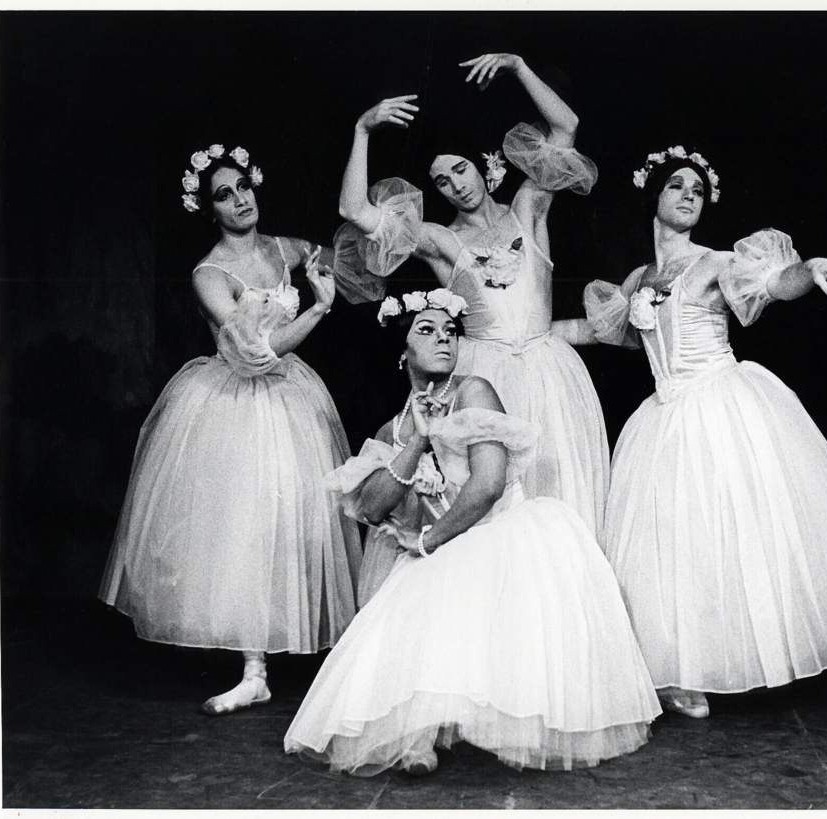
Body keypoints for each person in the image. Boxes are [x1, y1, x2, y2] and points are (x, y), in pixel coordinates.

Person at [559, 145, 827, 718]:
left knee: (788, 530)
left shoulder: (712, 262)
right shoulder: (639, 277)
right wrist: (526, 333)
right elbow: (603, 331)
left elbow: (771, 281)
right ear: (654, 197)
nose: (689, 196)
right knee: (679, 546)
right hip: (665, 419)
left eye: (698, 191)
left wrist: (807, 272)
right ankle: (681, 669)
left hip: (723, 404)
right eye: (678, 186)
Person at [283, 290, 660, 776]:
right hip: (442, 541)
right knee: (410, 588)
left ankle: (463, 724)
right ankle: (419, 731)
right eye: (427, 330)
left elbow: (487, 485)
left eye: (450, 332)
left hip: (499, 529)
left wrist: (428, 541)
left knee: (442, 574)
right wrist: (417, 439)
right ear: (402, 352)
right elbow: (373, 509)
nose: (443, 339)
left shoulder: (473, 391)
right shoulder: (391, 428)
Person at [100, 144, 364, 715]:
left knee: (298, 519)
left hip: (292, 399)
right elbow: (256, 351)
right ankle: (254, 669)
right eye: (224, 194)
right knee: (244, 525)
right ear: (208, 208)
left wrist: (336, 270)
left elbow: (340, 258)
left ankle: (334, 660)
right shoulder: (209, 274)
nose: (240, 199)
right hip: (236, 400)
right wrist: (317, 310)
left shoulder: (283, 247)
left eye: (243, 187)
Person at [334, 53, 609, 553]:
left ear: (484, 166)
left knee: (562, 503)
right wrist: (362, 129)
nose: (456, 185)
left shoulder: (529, 207)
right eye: (442, 180)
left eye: (460, 170)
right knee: (496, 513)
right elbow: (354, 210)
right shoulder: (441, 240)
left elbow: (566, 127)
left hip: (551, 375)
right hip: (488, 380)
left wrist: (520, 66)